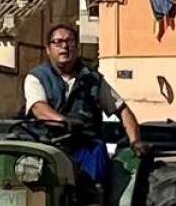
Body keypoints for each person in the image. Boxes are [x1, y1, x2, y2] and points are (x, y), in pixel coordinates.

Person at [23, 22, 145, 187]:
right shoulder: (36, 77)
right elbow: (38, 107)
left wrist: (135, 141)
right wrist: (64, 122)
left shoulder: (94, 79)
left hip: (86, 145)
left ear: (77, 46)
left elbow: (122, 109)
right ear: (48, 49)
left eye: (70, 41)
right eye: (58, 42)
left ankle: (95, 198)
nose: (64, 46)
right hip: (47, 144)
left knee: (97, 168)